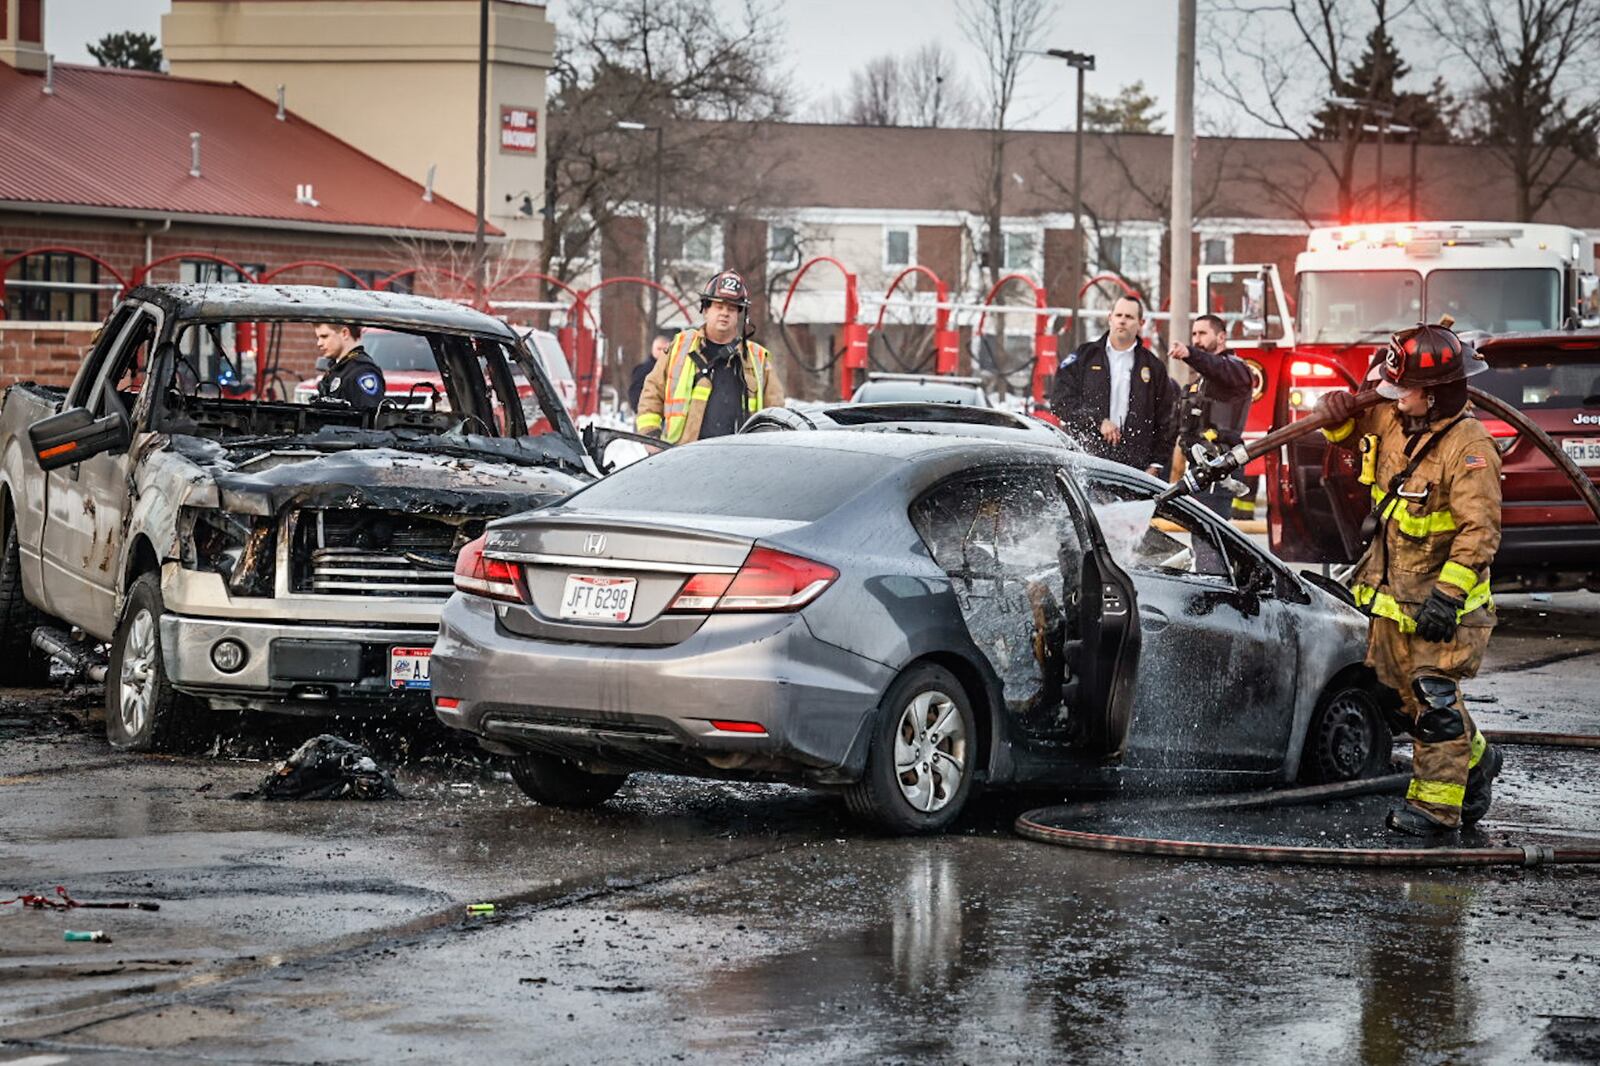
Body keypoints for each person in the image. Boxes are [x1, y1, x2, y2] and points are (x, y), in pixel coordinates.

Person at [1314, 321, 1503, 837]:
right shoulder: (1398, 417)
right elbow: (1351, 427)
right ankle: (1479, 761)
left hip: (1446, 607)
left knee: (1435, 700)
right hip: (1393, 598)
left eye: (1407, 391)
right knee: (1396, 699)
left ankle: (1437, 811)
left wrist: (1448, 595)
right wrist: (1334, 414)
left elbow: (1479, 531)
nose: (1396, 399)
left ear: (1437, 394)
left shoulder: (1470, 450)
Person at [635, 270, 785, 443]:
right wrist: (650, 435)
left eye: (731, 308)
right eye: (718, 306)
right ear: (705, 310)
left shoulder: (757, 357)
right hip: (684, 456)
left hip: (741, 458)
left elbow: (775, 411)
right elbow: (652, 392)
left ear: (739, 315)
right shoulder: (680, 347)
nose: (724, 313)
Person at [1051, 295, 1178, 478]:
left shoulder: (1153, 366)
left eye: (1129, 317)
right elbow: (1060, 402)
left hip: (1136, 468)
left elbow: (1167, 420)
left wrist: (1156, 464)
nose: (1123, 321)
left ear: (1141, 322)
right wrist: (1097, 421)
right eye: (1119, 315)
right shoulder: (1084, 357)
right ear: (1110, 318)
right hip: (1087, 461)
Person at [1169, 313, 1256, 518]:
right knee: (1201, 536)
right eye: (1193, 334)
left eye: (1202, 333)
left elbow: (1216, 366)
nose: (1196, 339)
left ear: (1221, 338)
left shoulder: (1235, 369)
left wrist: (1189, 353)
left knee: (1209, 539)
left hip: (1220, 465)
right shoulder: (1200, 382)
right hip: (1199, 469)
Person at [313, 322, 385, 411]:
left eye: (324, 336)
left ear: (345, 333)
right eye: (318, 338)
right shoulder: (337, 368)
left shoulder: (362, 371)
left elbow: (369, 416)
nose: (319, 343)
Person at [628, 330, 675, 414]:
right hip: (646, 414)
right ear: (652, 349)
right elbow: (635, 395)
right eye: (658, 349)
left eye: (665, 350)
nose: (661, 352)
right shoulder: (643, 370)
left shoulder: (675, 369)